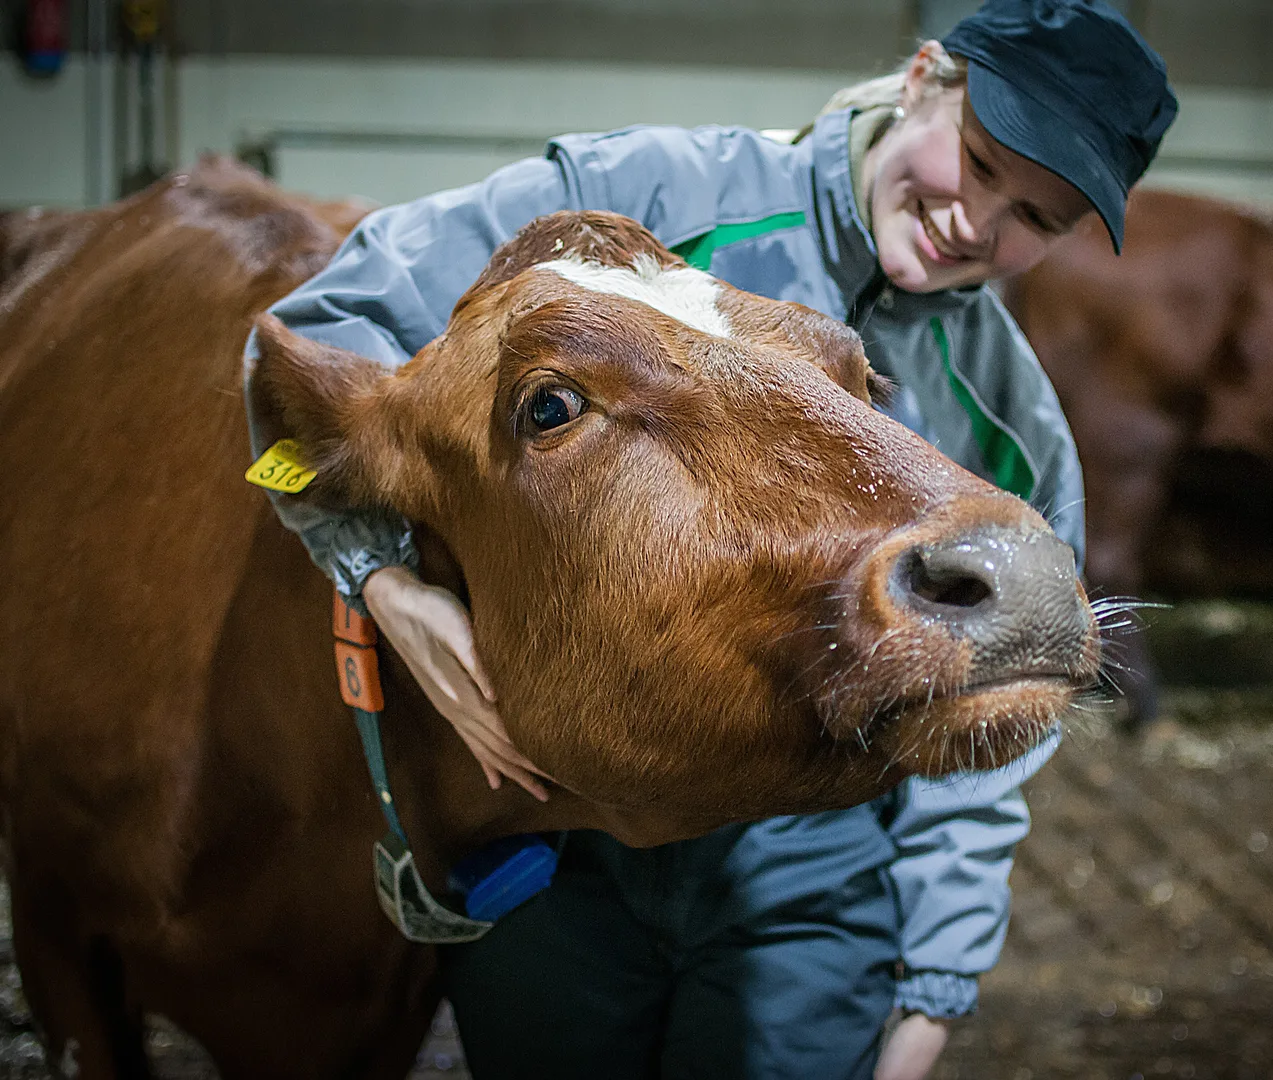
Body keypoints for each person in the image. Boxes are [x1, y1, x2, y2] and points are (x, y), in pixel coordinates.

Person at [243, 2, 1177, 1077]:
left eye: (1036, 216)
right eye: (976, 159)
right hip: (569, 816)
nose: (977, 221)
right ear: (924, 76)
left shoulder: (1012, 421)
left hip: (807, 848)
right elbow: (317, 338)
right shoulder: (649, 195)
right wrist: (385, 585)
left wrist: (935, 986)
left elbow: (992, 739)